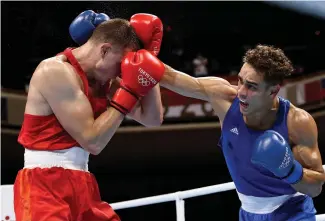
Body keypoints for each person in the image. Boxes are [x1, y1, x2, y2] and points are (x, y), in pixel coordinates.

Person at [14, 11, 165, 221]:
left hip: (83, 182)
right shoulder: (55, 71)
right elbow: (92, 141)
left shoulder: (104, 79)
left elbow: (153, 119)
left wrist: (148, 60)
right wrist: (129, 92)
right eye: (121, 65)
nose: (122, 73)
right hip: (43, 186)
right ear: (104, 50)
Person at [157, 44, 324, 220]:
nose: (241, 92)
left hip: (292, 211)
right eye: (240, 81)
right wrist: (139, 53)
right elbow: (169, 76)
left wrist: (289, 170)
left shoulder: (297, 123)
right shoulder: (224, 99)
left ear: (273, 91)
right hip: (248, 214)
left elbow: (315, 189)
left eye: (252, 87)